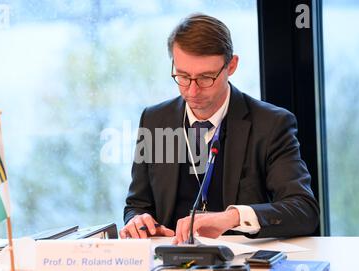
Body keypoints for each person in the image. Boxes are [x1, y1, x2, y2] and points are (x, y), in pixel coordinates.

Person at [120, 13, 319, 243]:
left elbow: (304, 210)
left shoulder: (272, 124)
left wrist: (233, 217)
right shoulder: (155, 120)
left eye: (205, 78)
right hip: (168, 263)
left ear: (231, 65)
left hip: (244, 268)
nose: (192, 92)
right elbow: (137, 205)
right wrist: (137, 221)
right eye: (183, 76)